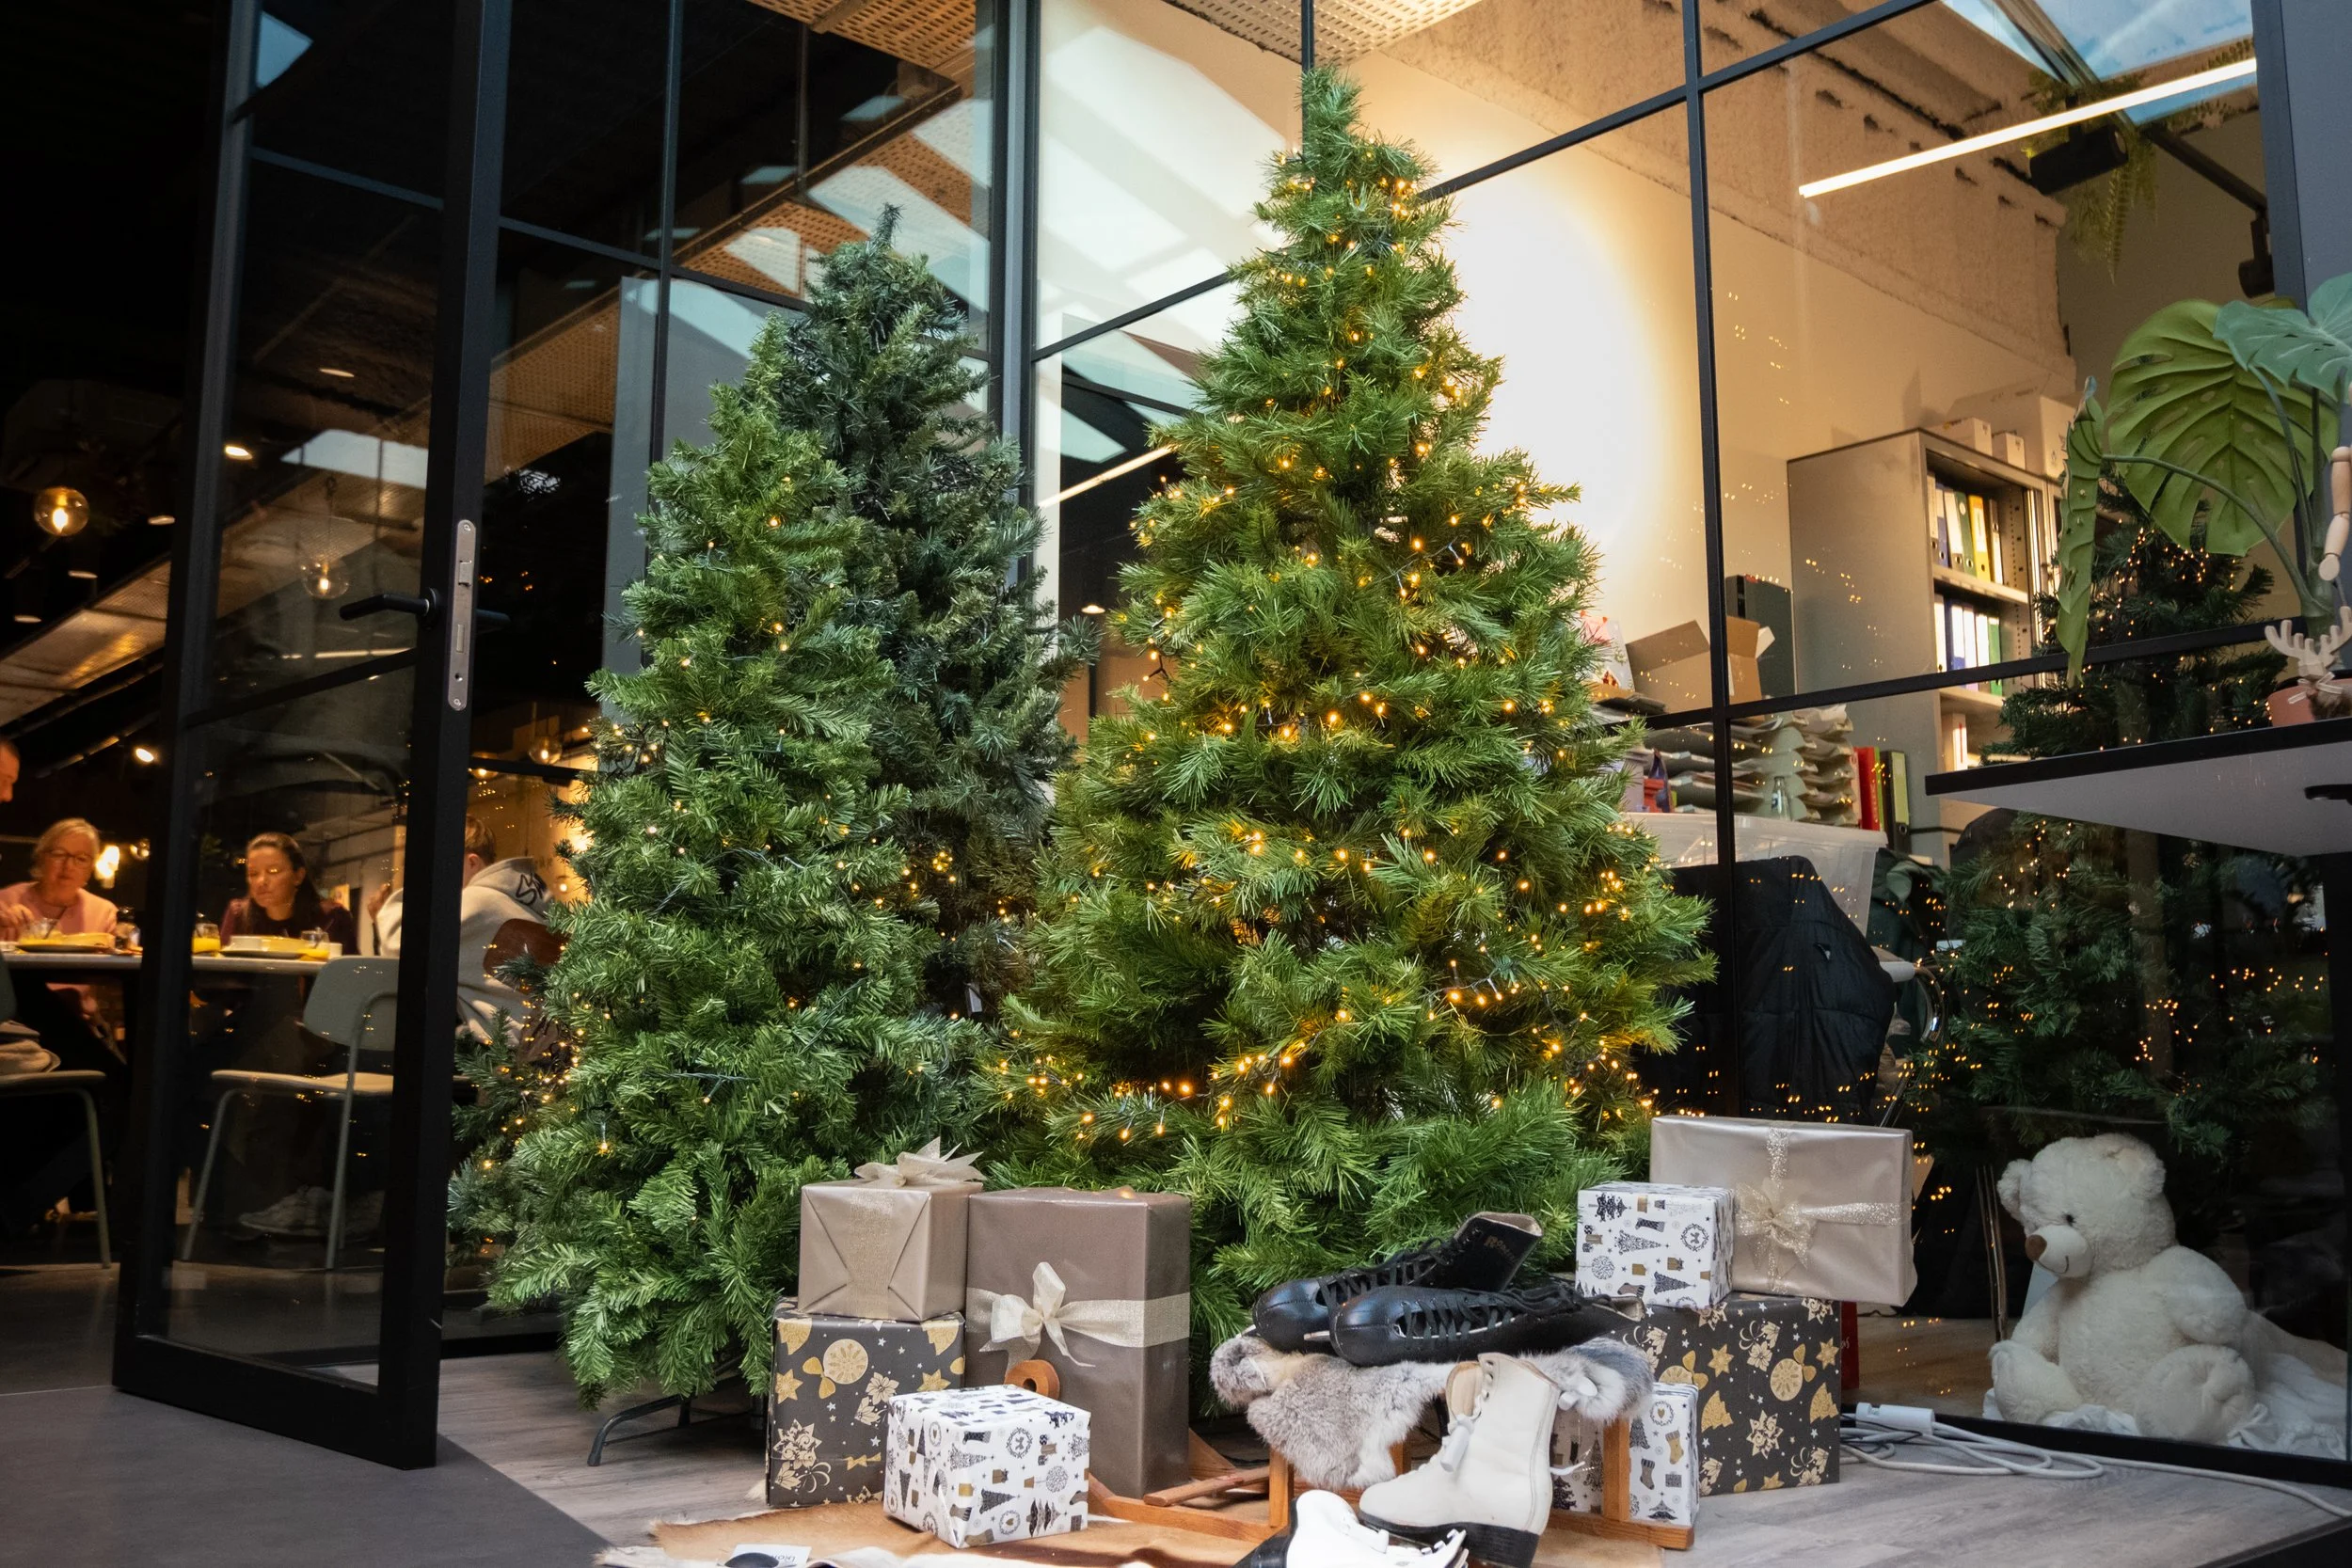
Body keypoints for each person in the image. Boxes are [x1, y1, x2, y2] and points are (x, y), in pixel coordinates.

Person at [370, 816, 552, 1038]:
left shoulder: (477, 903)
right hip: (540, 1042)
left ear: (472, 862)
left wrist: (389, 908)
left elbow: (398, 946)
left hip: (500, 1051)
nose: (432, 876)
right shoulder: (523, 903)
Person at [218, 832, 359, 953]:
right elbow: (221, 972)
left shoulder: (331, 917)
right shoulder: (239, 914)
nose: (261, 881)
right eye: (253, 873)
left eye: (273, 871)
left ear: (298, 876)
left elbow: (350, 973)